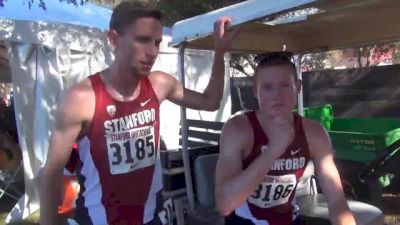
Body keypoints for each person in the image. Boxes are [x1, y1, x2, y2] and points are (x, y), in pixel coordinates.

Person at [39, 2, 237, 225]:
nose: (153, 52)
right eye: (143, 40)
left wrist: (219, 53)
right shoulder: (82, 98)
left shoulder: (159, 84)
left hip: (152, 217)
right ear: (114, 39)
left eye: (157, 42)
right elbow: (52, 171)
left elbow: (210, 102)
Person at [215, 52, 356, 225]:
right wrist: (272, 151)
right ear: (255, 91)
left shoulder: (314, 133)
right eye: (267, 87)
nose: (277, 95)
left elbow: (336, 201)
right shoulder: (237, 130)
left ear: (297, 87)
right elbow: (224, 204)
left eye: (285, 85)